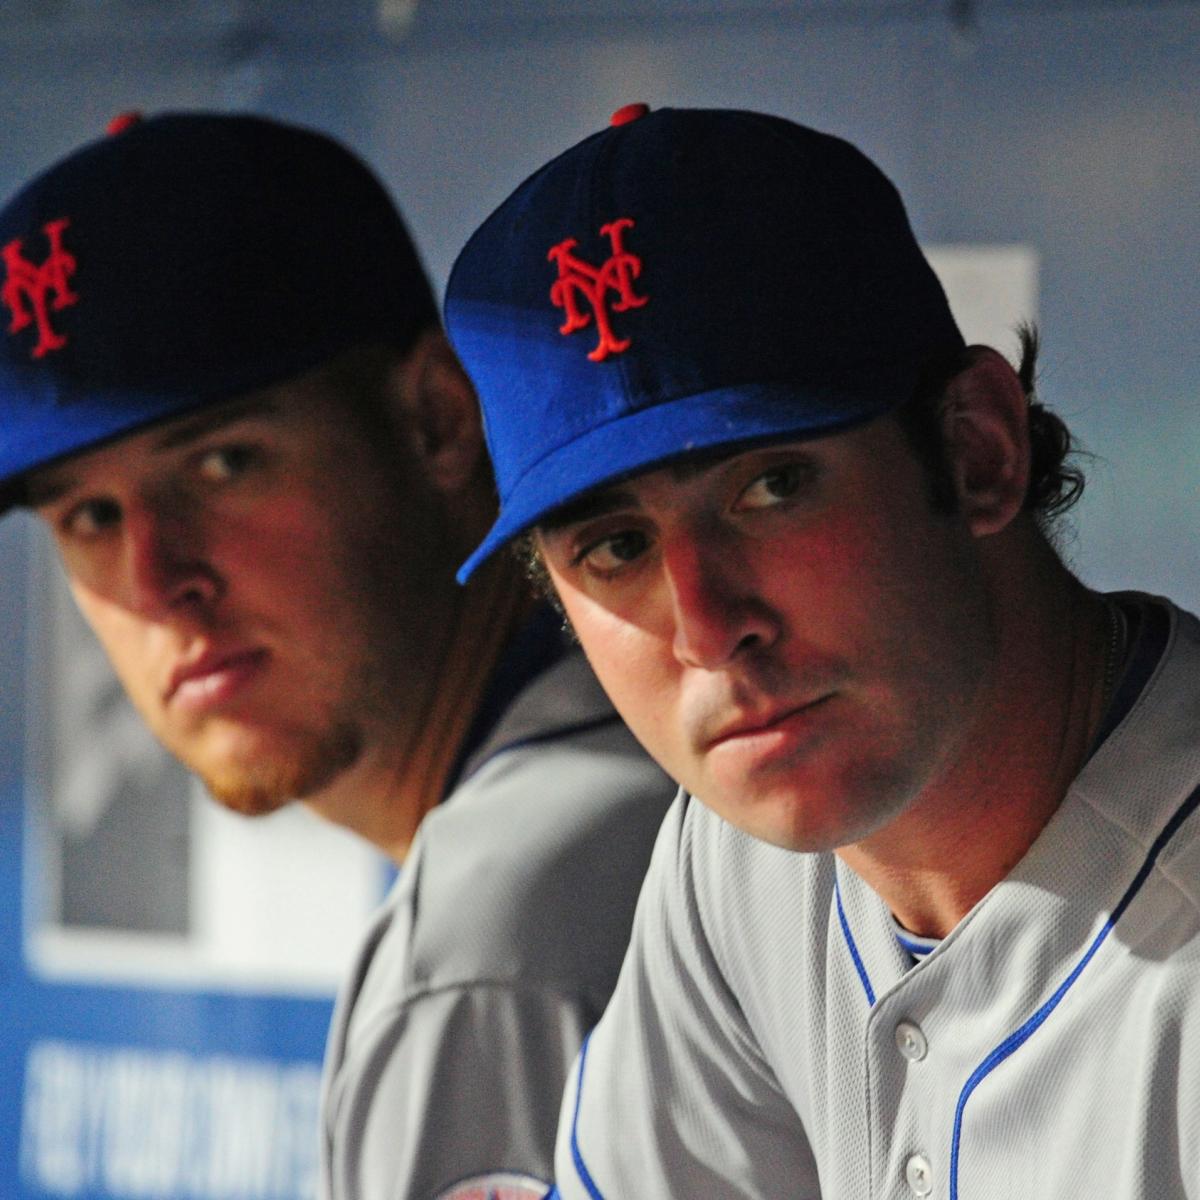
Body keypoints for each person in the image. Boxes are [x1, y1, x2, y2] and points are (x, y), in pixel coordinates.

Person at [442, 103, 1200, 1198]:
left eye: (771, 486)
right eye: (614, 547)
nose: (708, 629)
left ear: (979, 451)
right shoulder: (740, 860)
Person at [0, 111, 675, 1200]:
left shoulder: (496, 940)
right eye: (86, 517)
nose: (159, 579)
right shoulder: (662, 770)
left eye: (222, 463)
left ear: (439, 420)